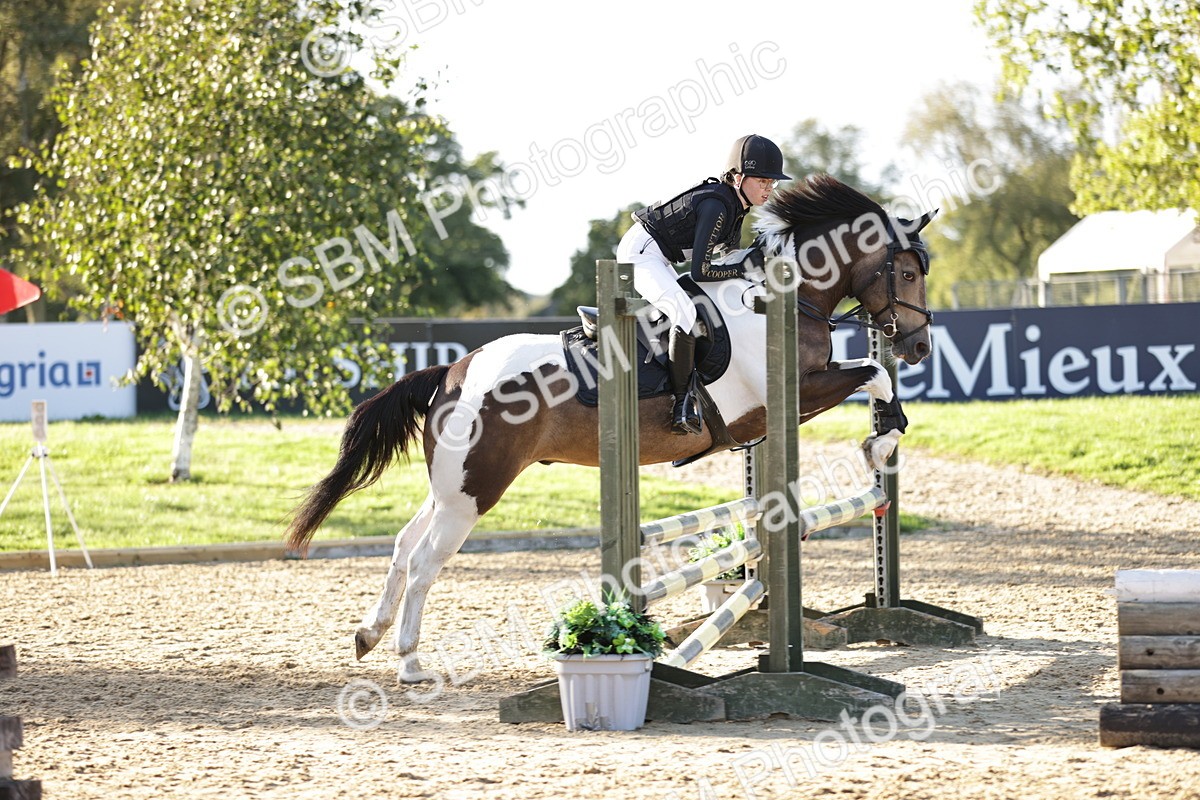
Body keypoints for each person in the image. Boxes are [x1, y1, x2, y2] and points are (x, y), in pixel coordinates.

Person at [618, 133, 791, 435]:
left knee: (704, 307)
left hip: (661, 258)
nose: (769, 189)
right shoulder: (717, 205)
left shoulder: (737, 207)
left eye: (772, 183)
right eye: (763, 181)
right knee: (685, 313)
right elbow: (701, 271)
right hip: (640, 254)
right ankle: (681, 405)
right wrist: (744, 267)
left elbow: (731, 259)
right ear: (738, 177)